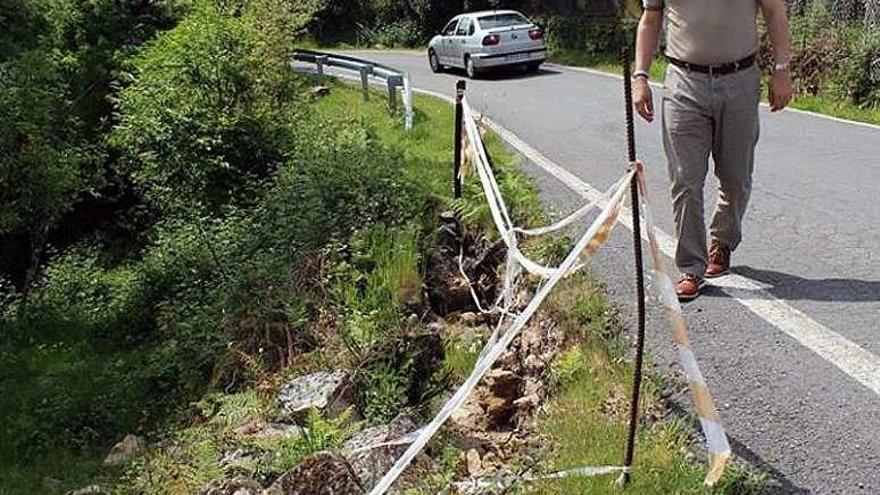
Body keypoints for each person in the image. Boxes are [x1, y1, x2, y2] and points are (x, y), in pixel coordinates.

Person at [633, 0, 793, 300]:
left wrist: (782, 68)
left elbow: (775, 11)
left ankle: (722, 241)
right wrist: (640, 76)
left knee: (736, 178)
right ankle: (692, 267)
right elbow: (651, 18)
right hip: (683, 81)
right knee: (685, 179)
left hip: (740, 79)